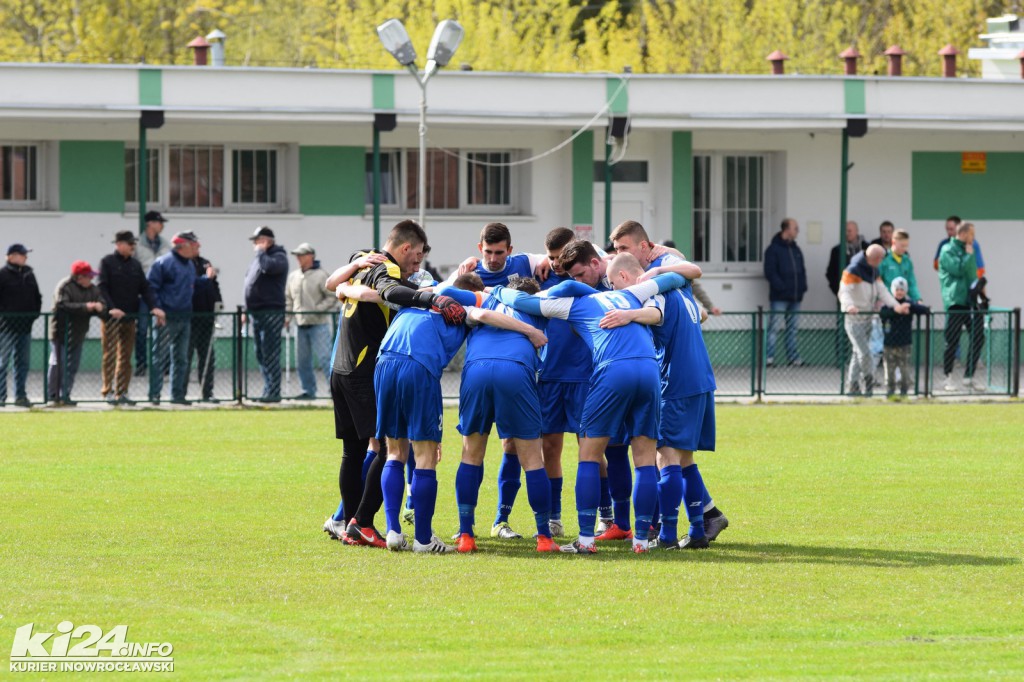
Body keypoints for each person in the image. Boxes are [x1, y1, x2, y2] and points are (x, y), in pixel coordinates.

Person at [491, 248, 691, 554]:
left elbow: (522, 301)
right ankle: (641, 541)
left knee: (589, 454)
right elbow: (677, 277)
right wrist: (654, 275)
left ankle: (585, 540)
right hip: (649, 371)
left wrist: (497, 290)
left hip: (613, 370)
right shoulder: (632, 294)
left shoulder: (575, 304)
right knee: (644, 459)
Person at [321, 220, 466, 547]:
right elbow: (390, 290)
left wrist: (350, 285)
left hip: (339, 368)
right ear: (404, 248)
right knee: (389, 448)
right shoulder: (388, 269)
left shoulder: (362, 258)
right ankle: (363, 522)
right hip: (363, 369)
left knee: (354, 452)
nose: (416, 265)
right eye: (415, 258)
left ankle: (346, 520)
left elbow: (334, 284)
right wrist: (432, 300)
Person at [610, 220, 729, 547]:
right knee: (684, 458)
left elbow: (656, 314)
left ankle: (666, 534)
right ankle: (697, 529)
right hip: (700, 378)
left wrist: (629, 315)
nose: (618, 255)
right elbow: (699, 313)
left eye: (623, 249)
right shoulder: (681, 287)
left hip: (676, 379)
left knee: (666, 456)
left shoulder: (660, 286)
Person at [448, 222, 553, 540]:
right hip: (515, 372)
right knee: (532, 457)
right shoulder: (537, 308)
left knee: (471, 453)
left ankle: (466, 534)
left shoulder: (483, 300)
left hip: (477, 370)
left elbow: (440, 292)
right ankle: (544, 538)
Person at [98, 231, 166, 406]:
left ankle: (122, 392)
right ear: (119, 244)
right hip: (111, 318)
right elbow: (102, 288)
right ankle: (107, 391)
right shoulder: (107, 262)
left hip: (129, 317)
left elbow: (145, 288)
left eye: (133, 244)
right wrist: (112, 308)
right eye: (130, 244)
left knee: (126, 357)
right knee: (109, 355)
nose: (133, 247)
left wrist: (154, 307)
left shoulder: (135, 265)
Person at [838, 244, 909, 397]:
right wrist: (849, 306)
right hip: (854, 318)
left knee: (858, 352)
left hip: (867, 317)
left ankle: (853, 385)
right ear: (876, 258)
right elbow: (844, 291)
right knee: (864, 353)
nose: (882, 262)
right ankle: (868, 382)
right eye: (881, 259)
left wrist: (897, 306)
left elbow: (882, 291)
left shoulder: (874, 271)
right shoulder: (853, 270)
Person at [148, 231, 204, 405]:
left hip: (184, 317)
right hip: (166, 318)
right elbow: (151, 288)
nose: (196, 248)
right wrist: (157, 308)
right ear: (183, 246)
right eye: (193, 245)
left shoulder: (189, 265)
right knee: (159, 357)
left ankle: (177, 396)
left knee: (181, 359)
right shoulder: (163, 263)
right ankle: (154, 395)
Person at [48, 260, 106, 406]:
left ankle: (65, 395)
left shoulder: (92, 289)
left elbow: (102, 304)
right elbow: (62, 305)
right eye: (88, 276)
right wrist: (86, 307)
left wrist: (101, 307)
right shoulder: (65, 286)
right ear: (79, 277)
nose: (91, 279)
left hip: (78, 333)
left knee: (72, 366)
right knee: (58, 364)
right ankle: (52, 396)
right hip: (59, 333)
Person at [285, 242, 337, 400]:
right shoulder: (293, 276)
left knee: (325, 358)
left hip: (319, 323)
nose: (299, 258)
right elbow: (288, 298)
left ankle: (334, 391)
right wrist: (288, 317)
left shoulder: (321, 275)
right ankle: (308, 390)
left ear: (311, 256)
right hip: (300, 325)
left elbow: (331, 296)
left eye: (302, 255)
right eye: (297, 255)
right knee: (302, 361)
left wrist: (317, 308)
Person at [938, 221, 985, 392]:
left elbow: (972, 274)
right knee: (952, 339)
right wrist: (968, 256)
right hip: (955, 300)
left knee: (978, 336)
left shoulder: (970, 251)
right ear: (964, 234)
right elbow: (958, 270)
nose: (973, 238)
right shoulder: (947, 249)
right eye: (971, 234)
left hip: (970, 301)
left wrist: (980, 293)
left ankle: (969, 377)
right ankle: (947, 376)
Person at [244, 226, 289, 403]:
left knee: (270, 352)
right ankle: (267, 390)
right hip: (256, 313)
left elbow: (269, 268)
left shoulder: (279, 257)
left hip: (271, 311)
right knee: (261, 353)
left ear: (267, 241)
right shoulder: (259, 258)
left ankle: (273, 392)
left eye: (258, 241)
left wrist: (261, 253)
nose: (255, 244)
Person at [0, 243, 42, 407]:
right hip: (6, 327)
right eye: (22, 254)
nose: (25, 257)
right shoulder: (2, 275)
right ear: (11, 256)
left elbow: (37, 296)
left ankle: (21, 396)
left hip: (25, 326)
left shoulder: (29, 274)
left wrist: (34, 314)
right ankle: (1, 396)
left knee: (23, 364)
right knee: (3, 362)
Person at [763, 218, 807, 367]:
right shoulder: (773, 249)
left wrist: (802, 287)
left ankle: (793, 358)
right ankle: (769, 358)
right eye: (795, 228)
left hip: (795, 296)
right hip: (779, 297)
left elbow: (802, 271)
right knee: (774, 327)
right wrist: (782, 287)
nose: (797, 231)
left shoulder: (796, 249)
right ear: (786, 229)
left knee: (793, 329)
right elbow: (770, 272)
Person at [133, 211, 170, 376]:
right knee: (141, 330)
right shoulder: (137, 245)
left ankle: (163, 365)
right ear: (150, 223)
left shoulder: (165, 245)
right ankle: (141, 365)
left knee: (163, 330)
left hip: (161, 294)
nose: (161, 225)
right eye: (159, 222)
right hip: (143, 295)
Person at [879, 277, 929, 398]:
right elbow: (883, 313)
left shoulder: (908, 304)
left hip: (905, 344)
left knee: (905, 370)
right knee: (889, 371)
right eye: (897, 289)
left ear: (905, 291)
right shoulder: (889, 305)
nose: (899, 292)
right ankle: (890, 391)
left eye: (902, 289)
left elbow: (924, 310)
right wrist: (897, 311)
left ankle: (904, 391)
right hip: (889, 344)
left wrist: (911, 307)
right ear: (893, 290)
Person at [188, 244, 222, 403]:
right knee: (185, 356)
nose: (198, 249)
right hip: (191, 316)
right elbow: (192, 286)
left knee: (207, 356)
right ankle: (179, 394)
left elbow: (214, 285)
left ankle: (207, 392)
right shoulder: (184, 264)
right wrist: (206, 278)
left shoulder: (204, 263)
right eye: (194, 246)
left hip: (207, 317)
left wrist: (218, 302)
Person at [879, 230, 922, 303]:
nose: (905, 249)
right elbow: (878, 281)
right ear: (893, 242)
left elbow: (911, 283)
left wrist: (918, 299)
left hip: (902, 301)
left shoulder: (907, 261)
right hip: (886, 301)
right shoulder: (884, 260)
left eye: (906, 246)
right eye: (902, 245)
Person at [826, 221, 868, 297]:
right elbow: (830, 273)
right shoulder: (837, 250)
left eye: (849, 231)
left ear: (856, 231)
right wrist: (838, 290)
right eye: (845, 231)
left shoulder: (867, 248)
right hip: (845, 293)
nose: (847, 233)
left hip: (865, 293)